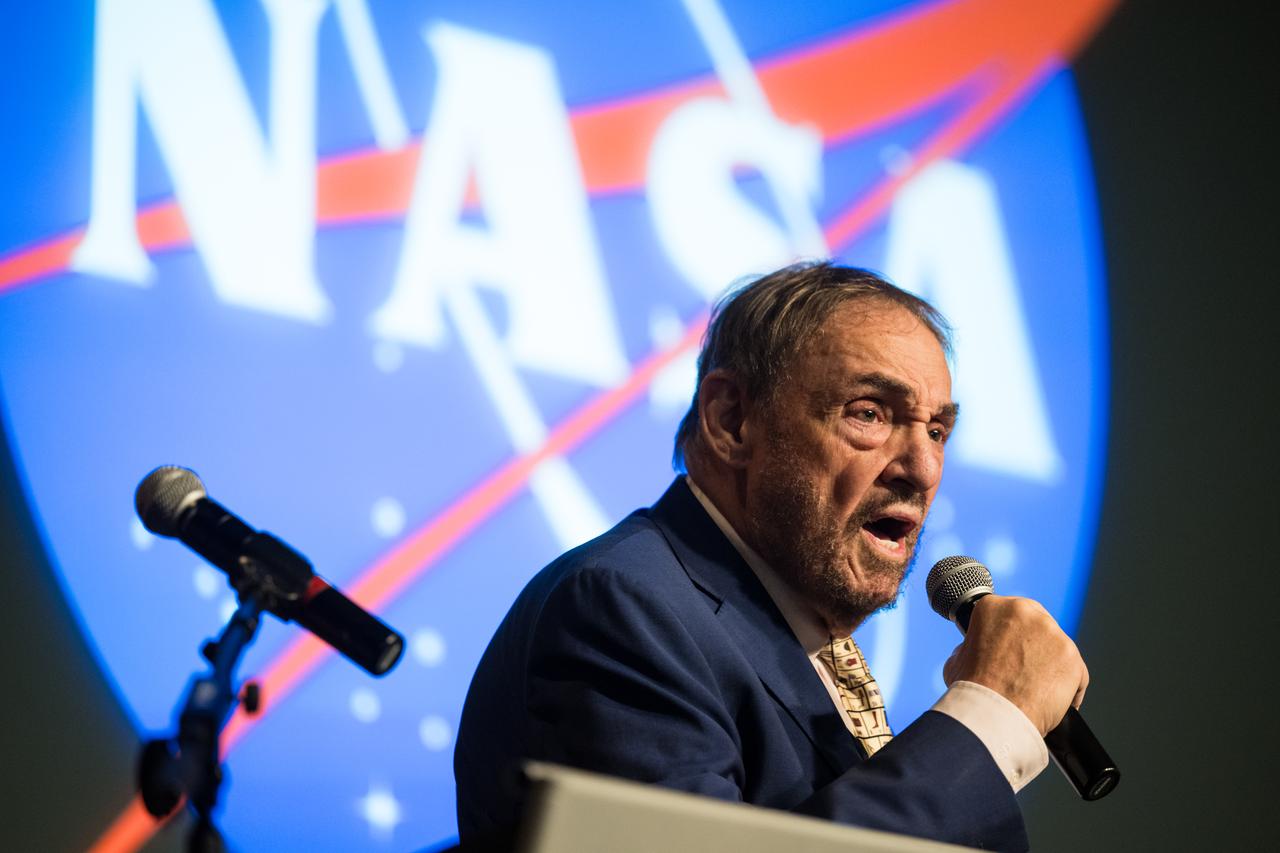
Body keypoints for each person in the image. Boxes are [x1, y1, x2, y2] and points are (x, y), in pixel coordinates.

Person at [453, 262, 1088, 851]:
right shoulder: (624, 606)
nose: (923, 469)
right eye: (869, 413)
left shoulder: (803, 642)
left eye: (937, 430)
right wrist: (988, 718)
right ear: (731, 420)